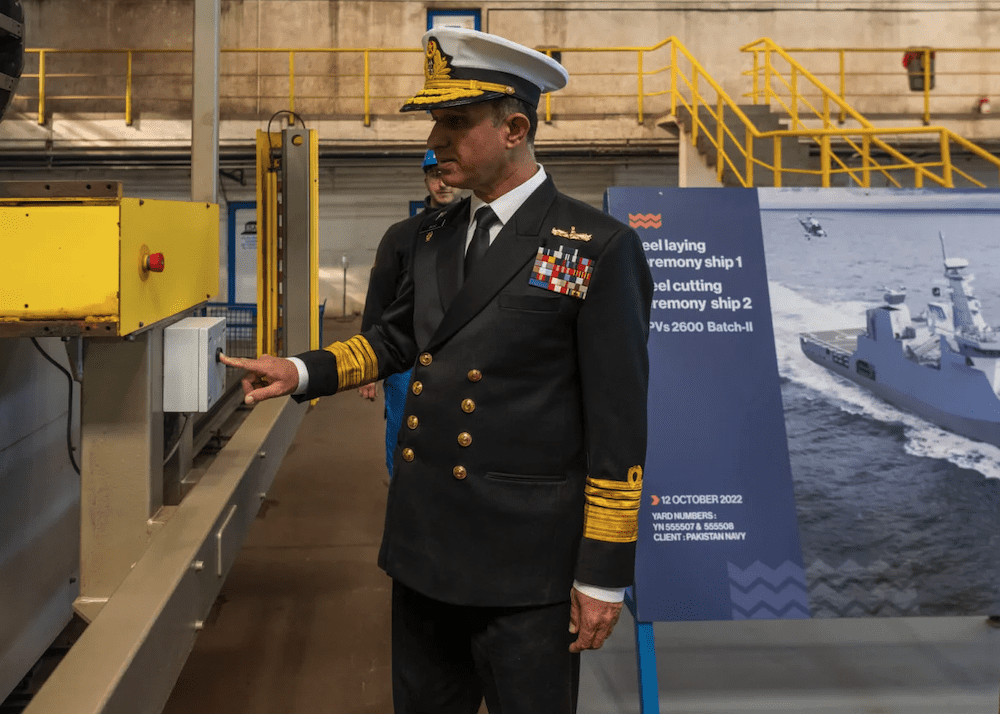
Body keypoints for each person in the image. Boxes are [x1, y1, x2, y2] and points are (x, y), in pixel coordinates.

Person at [221, 26, 652, 714]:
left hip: (527, 561)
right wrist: (302, 371)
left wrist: (602, 576)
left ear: (514, 128)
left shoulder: (597, 247)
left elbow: (619, 420)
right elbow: (393, 341)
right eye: (434, 120)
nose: (436, 137)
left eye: (455, 120)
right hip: (426, 547)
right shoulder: (430, 236)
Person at [359, 150, 459, 482]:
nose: (442, 183)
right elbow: (379, 300)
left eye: (448, 174)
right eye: (435, 175)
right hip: (406, 359)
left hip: (462, 357)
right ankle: (402, 494)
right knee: (404, 435)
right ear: (426, 180)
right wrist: (369, 364)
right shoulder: (402, 235)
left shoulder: (482, 231)